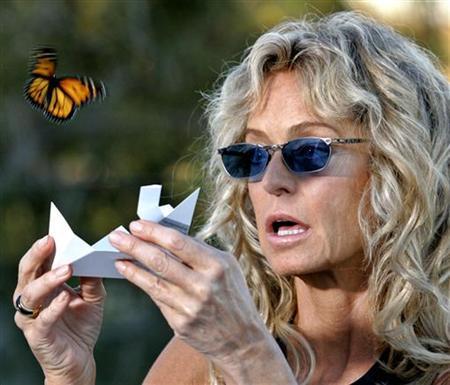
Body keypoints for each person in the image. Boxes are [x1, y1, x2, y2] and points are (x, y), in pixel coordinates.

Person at [13, 11, 449, 385]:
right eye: (250, 155)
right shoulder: (205, 352)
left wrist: (249, 360)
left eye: (308, 151)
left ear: (398, 166)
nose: (272, 180)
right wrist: (68, 375)